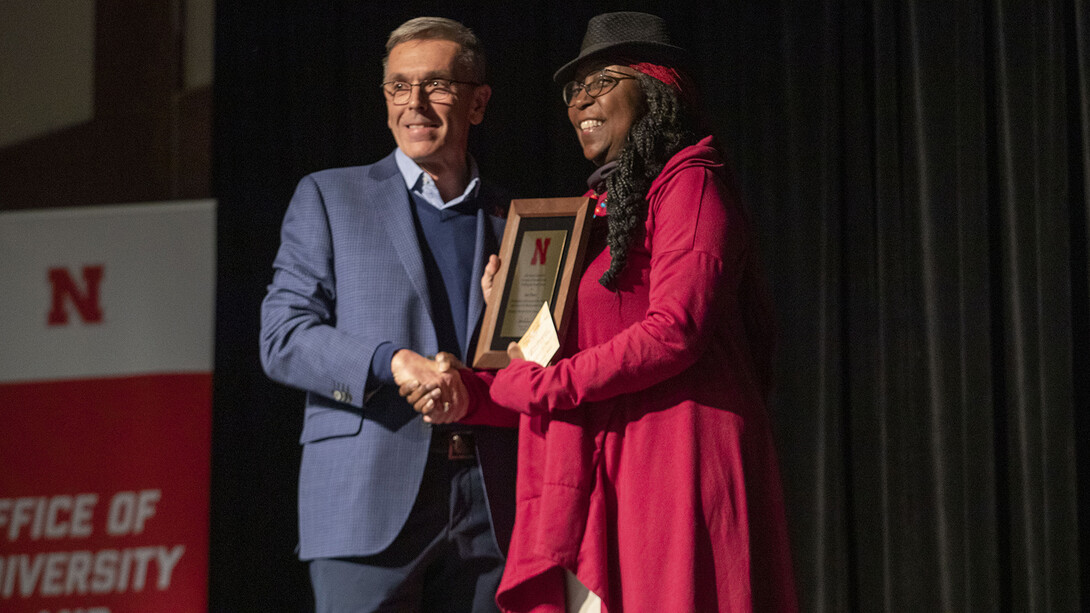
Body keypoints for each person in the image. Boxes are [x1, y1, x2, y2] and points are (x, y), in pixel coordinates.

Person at [440, 11, 798, 613]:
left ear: (656, 87)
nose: (581, 99)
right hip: (606, 468)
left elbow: (677, 329)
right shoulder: (591, 210)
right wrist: (480, 376)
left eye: (601, 80)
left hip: (676, 458)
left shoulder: (692, 182)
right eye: (574, 88)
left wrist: (549, 382)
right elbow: (555, 360)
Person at [259, 16, 518, 613]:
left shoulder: (519, 221)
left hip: (493, 501)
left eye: (437, 85)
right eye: (399, 87)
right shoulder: (329, 197)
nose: (416, 104)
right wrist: (390, 360)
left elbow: (544, 358)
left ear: (478, 102)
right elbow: (283, 336)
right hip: (364, 496)